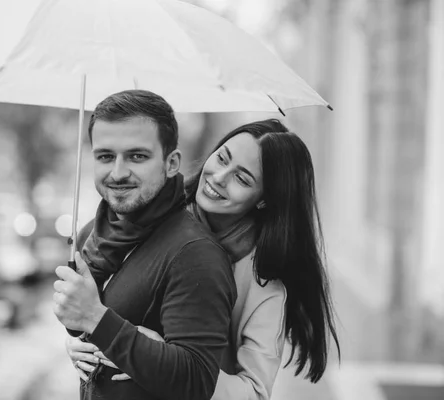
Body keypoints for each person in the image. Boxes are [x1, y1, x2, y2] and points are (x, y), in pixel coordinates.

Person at [67, 119, 341, 400]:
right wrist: (84, 340)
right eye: (222, 158)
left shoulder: (263, 284)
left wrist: (160, 360)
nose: (219, 177)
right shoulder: (156, 216)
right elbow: (108, 307)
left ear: (264, 200)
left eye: (242, 178)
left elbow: (255, 392)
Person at [52, 89, 237, 400]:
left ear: (171, 163)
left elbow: (196, 381)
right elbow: (91, 327)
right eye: (105, 156)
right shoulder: (91, 236)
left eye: (137, 156)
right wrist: (80, 336)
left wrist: (96, 319)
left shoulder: (194, 253)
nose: (118, 172)